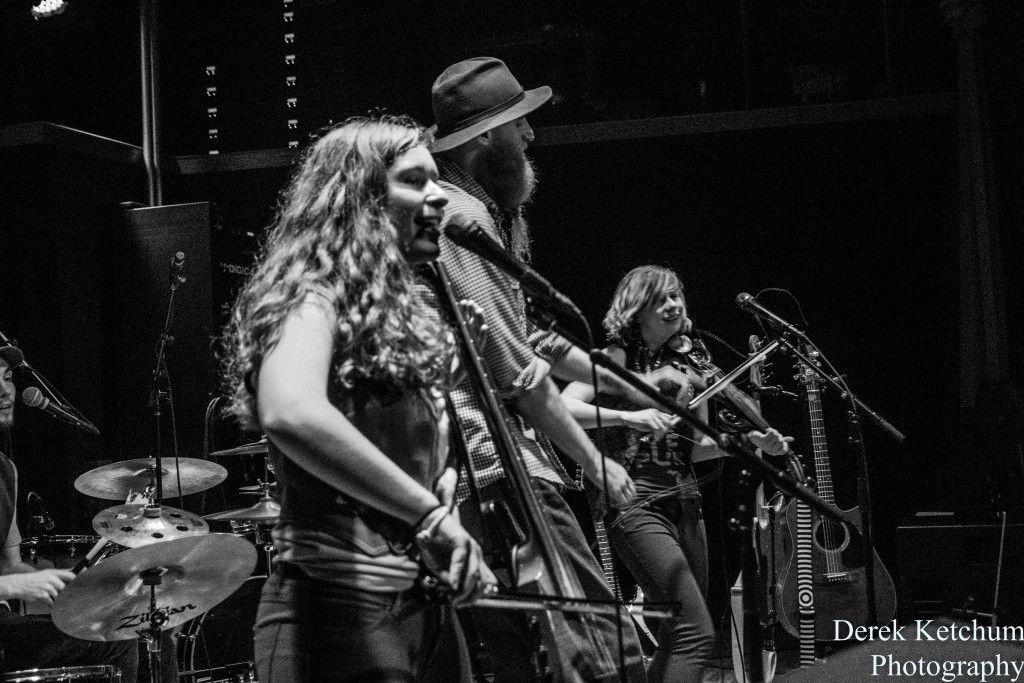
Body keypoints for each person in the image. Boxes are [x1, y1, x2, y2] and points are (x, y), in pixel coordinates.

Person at [428, 57, 698, 682]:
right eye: (518, 124)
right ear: (483, 137)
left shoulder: (492, 216)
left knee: (542, 658)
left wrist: (624, 381)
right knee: (601, 650)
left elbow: (532, 337)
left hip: (504, 467)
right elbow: (515, 370)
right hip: (499, 466)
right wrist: (593, 459)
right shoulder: (461, 222)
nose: (530, 136)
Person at [221, 116, 495, 683]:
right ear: (361, 200)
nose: (440, 195)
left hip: (424, 612)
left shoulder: (401, 317)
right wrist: (430, 516)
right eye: (415, 181)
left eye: (437, 180)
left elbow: (418, 472)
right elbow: (289, 410)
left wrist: (443, 520)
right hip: (336, 615)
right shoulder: (308, 292)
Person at [561, 265, 793, 683]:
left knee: (677, 632)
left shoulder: (691, 370)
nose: (673, 305)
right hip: (636, 501)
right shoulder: (617, 359)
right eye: (660, 299)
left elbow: (700, 449)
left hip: (687, 504)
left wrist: (750, 444)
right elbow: (563, 407)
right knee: (696, 633)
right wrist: (629, 418)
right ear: (637, 310)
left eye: (676, 296)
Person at [0, 345, 138, 680]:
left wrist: (69, 582)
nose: (5, 391)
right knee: (119, 646)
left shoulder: (5, 471)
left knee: (138, 628)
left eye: (6, 378)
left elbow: (9, 565)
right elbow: (12, 580)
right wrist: (15, 586)